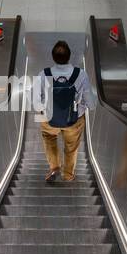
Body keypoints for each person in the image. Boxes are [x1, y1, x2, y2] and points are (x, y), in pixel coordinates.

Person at [31, 40, 94, 184]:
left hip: (49, 119)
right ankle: (68, 175)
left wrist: (45, 109)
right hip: (74, 119)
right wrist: (81, 104)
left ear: (53, 57)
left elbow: (36, 103)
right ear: (69, 56)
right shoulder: (81, 75)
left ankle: (54, 168)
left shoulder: (43, 74)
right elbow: (91, 103)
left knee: (49, 140)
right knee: (71, 148)